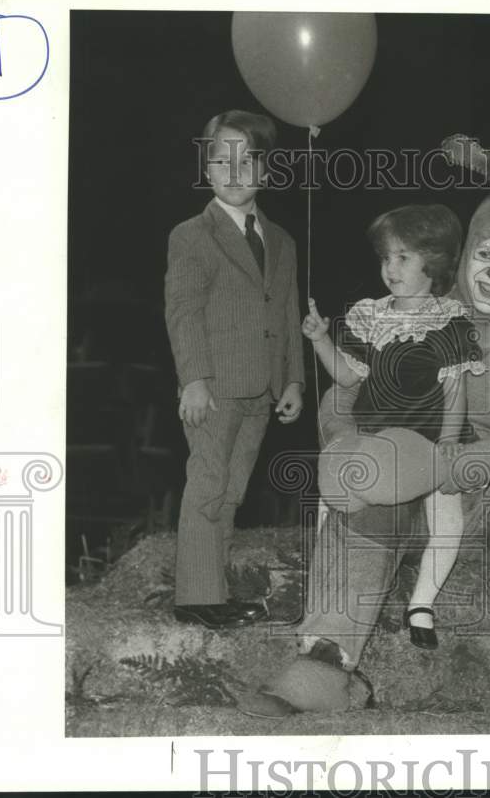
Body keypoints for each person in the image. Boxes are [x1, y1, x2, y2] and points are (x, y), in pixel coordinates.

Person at [242, 137, 490, 728]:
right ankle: (326, 661)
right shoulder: (418, 305)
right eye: (486, 252)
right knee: (366, 463)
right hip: (405, 481)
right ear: (463, 254)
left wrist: (450, 467)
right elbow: (346, 390)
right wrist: (341, 441)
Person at [302, 204, 484, 650]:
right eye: (386, 257)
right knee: (334, 493)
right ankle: (319, 587)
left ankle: (421, 604)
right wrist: (320, 340)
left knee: (447, 516)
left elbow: (454, 388)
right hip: (374, 442)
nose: (390, 268)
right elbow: (348, 376)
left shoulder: (449, 320)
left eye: (403, 257)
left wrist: (447, 439)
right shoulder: (370, 314)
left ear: (435, 263)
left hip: (426, 442)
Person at [164, 110, 305, 630]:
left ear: (267, 171)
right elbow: (182, 311)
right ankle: (194, 598)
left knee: (233, 490)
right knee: (207, 485)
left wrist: (292, 378)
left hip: (260, 390)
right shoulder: (191, 236)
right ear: (206, 166)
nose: (235, 169)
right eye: (222, 158)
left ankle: (213, 592)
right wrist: (194, 380)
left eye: (249, 159)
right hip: (214, 388)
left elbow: (285, 311)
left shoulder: (282, 241)